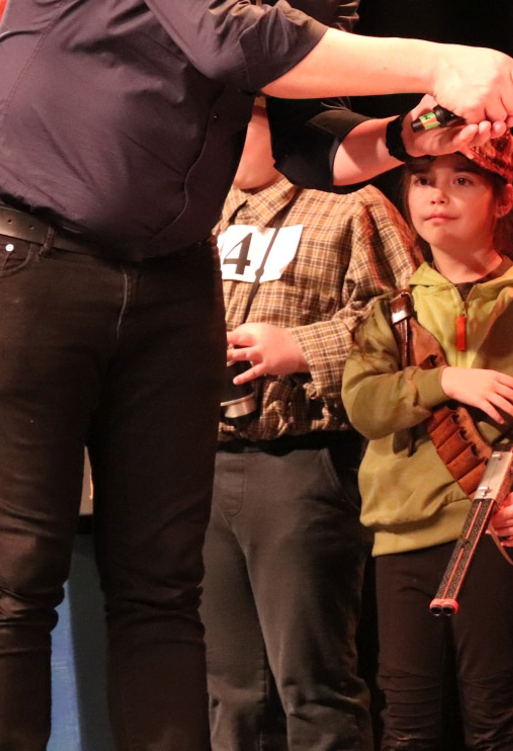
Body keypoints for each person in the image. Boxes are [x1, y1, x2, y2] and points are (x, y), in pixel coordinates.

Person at [0, 0, 513, 748]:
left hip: (170, 273)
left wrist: (407, 136)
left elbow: (296, 138)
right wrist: (439, 58)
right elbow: (230, 38)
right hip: (32, 255)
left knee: (163, 584)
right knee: (14, 580)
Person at [203, 95, 422, 750]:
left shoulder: (350, 206)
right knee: (231, 692)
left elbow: (412, 324)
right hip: (205, 466)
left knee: (312, 683)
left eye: (238, 119)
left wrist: (300, 346)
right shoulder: (200, 211)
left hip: (300, 463)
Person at [342, 134, 513, 750]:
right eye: (423, 179)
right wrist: (444, 381)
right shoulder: (391, 311)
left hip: (494, 531)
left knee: (495, 716)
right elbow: (363, 405)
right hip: (403, 535)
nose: (438, 196)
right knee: (407, 720)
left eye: (463, 180)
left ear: (502, 199)